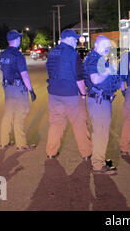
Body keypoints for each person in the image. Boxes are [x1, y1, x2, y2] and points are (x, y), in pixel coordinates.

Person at [45, 29, 92, 160]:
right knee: (80, 124)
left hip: (54, 94)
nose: (76, 41)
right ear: (69, 39)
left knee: (55, 123)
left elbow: (49, 69)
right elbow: (79, 78)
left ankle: (51, 152)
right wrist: (83, 94)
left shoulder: (52, 52)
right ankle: (86, 153)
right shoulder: (72, 54)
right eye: (75, 39)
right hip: (71, 95)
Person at [84, 36, 121, 175]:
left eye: (108, 45)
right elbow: (95, 79)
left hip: (100, 100)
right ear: (96, 45)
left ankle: (99, 159)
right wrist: (109, 70)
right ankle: (98, 165)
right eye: (104, 45)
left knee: (100, 132)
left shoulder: (97, 58)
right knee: (101, 133)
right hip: (99, 101)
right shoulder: (94, 59)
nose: (107, 48)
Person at [0, 30, 36, 152]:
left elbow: (3, 72)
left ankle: (4, 142)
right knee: (20, 114)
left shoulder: (3, 54)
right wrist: (31, 90)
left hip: (8, 87)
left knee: (8, 114)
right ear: (16, 40)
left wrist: (5, 85)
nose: (20, 40)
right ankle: (21, 144)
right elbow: (24, 75)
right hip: (18, 88)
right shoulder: (18, 55)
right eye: (19, 38)